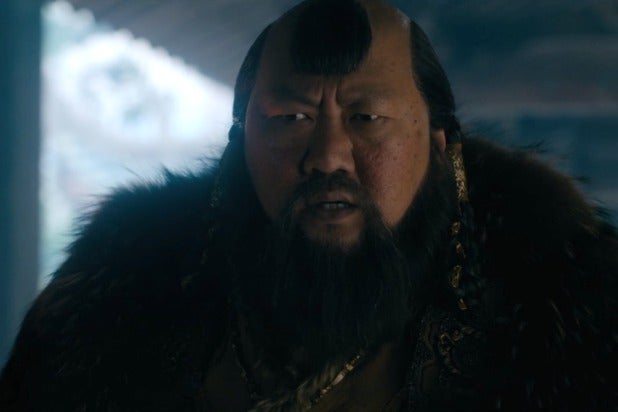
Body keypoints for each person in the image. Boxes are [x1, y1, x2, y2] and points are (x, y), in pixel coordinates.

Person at [1, 0, 616, 410]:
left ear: (438, 145)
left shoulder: (561, 313)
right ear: (242, 141)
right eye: (290, 117)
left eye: (366, 118)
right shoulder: (120, 303)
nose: (327, 157)